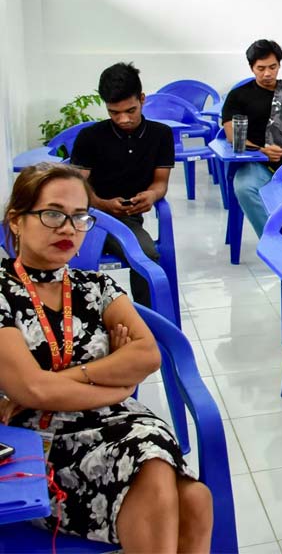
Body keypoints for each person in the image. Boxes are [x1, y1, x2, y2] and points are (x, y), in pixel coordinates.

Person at [0, 163, 212, 551]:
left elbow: (148, 355)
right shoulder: (2, 290)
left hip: (118, 422)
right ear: (16, 221)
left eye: (79, 217)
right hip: (41, 443)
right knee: (170, 481)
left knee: (197, 499)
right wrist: (117, 382)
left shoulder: (95, 286)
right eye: (52, 214)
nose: (67, 228)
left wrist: (56, 381)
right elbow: (32, 391)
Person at [70, 63, 174, 307]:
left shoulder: (160, 135)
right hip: (83, 216)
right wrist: (100, 203)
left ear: (142, 99)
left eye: (130, 110)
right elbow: (75, 188)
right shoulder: (90, 137)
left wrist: (151, 195)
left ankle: (151, 325)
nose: (123, 119)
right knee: (65, 259)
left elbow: (160, 183)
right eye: (114, 113)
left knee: (147, 257)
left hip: (125, 220)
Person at [221, 39, 282, 237]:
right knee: (244, 188)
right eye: (261, 68)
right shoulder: (238, 96)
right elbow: (231, 136)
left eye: (273, 67)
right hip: (258, 162)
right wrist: (263, 151)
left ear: (279, 65)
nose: (268, 73)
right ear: (252, 67)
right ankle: (274, 240)